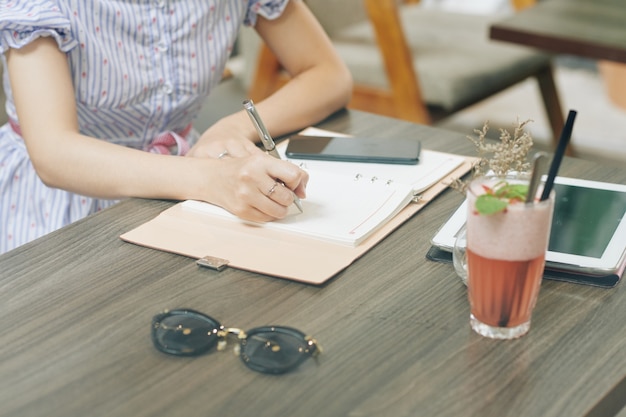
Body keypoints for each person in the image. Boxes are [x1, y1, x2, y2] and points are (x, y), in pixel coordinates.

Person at [0, 0, 353, 254]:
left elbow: (328, 75)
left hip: (185, 186)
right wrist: (211, 178)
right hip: (61, 206)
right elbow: (54, 153)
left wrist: (231, 129)